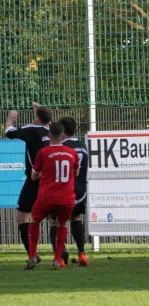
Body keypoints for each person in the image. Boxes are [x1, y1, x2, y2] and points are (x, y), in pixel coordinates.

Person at [25, 123, 80, 270]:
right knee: (61, 224)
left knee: (34, 220)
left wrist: (46, 174)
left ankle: (32, 256)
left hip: (47, 196)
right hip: (66, 197)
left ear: (49, 135)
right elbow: (76, 173)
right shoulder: (72, 152)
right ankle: (56, 259)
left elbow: (34, 176)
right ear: (62, 136)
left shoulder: (43, 152)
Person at [5, 102, 51, 259]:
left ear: (37, 118)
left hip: (35, 179)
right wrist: (39, 112)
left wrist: (11, 119)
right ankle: (61, 253)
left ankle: (32, 254)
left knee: (23, 215)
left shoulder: (31, 130)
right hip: (52, 181)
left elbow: (9, 133)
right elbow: (44, 125)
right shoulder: (54, 130)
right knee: (56, 217)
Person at [48, 116, 89, 266]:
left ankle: (60, 257)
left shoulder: (61, 148)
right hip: (80, 192)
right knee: (75, 218)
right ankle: (82, 253)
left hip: (63, 192)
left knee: (54, 222)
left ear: (63, 130)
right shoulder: (83, 146)